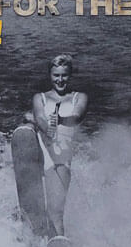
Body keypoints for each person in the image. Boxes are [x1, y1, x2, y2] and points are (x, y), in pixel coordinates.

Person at [30, 53, 88, 237]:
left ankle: (59, 244)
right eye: (56, 75)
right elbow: (39, 117)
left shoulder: (79, 97)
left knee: (56, 208)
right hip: (43, 151)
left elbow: (77, 116)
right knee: (41, 206)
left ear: (70, 75)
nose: (60, 80)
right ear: (50, 75)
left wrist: (61, 119)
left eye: (64, 75)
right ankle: (44, 243)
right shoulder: (40, 98)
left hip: (62, 156)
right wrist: (48, 129)